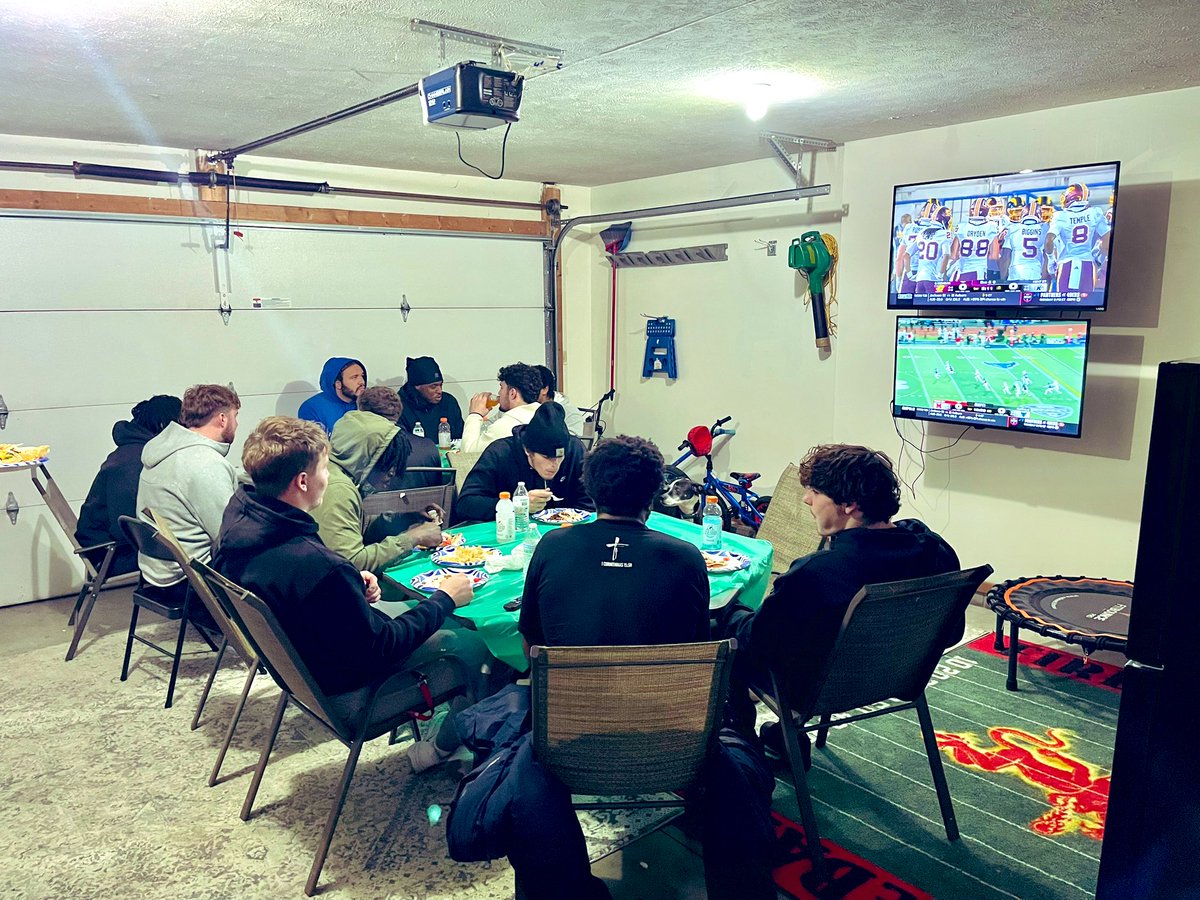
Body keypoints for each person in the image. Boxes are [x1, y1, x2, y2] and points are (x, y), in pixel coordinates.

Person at [432, 436, 777, 900]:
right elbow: (690, 651)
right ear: (654, 493)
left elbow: (531, 645)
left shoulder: (553, 547)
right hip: (672, 737)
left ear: (591, 488)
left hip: (563, 740)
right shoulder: (685, 557)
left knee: (511, 717)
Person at [212, 416, 476, 698]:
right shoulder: (317, 564)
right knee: (471, 642)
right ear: (303, 482)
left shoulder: (241, 515)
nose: (329, 477)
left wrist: (348, 584)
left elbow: (300, 586)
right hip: (350, 690)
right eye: (324, 469)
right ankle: (460, 727)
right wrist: (444, 599)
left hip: (304, 668)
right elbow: (382, 648)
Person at [722, 444, 960, 750]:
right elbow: (952, 632)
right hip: (900, 675)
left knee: (724, 638)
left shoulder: (817, 573)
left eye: (815, 492)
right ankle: (783, 739)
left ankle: (742, 747)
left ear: (849, 505)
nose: (807, 499)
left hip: (816, 689)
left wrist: (731, 611)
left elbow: (758, 643)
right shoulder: (935, 549)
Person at [135, 384, 240, 608]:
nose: (237, 423)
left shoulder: (161, 451)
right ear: (223, 419)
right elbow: (230, 536)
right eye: (235, 416)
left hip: (156, 570)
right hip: (188, 578)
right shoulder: (205, 463)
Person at [309, 403, 443, 575]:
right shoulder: (338, 489)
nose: (391, 473)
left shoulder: (337, 474)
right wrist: (413, 538)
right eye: (386, 462)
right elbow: (351, 563)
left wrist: (405, 517)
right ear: (365, 457)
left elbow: (357, 531)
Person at [76, 394, 181, 576]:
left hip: (115, 547)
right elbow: (125, 528)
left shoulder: (133, 452)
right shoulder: (132, 463)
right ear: (164, 426)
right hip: (111, 555)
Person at [454, 402, 593, 524]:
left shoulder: (575, 449)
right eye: (546, 457)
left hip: (564, 532)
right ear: (527, 450)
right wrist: (516, 505)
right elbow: (466, 504)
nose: (554, 464)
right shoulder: (500, 453)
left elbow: (591, 502)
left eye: (559, 457)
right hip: (510, 531)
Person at [459, 362, 542, 454]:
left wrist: (475, 414)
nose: (499, 393)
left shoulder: (506, 426)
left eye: (501, 388)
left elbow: (468, 453)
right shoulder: (542, 416)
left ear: (512, 393)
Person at [399, 356, 464, 440]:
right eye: (433, 387)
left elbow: (460, 437)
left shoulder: (449, 402)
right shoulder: (398, 407)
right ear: (417, 386)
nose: (439, 391)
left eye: (440, 385)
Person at [297, 357, 366, 434]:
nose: (362, 382)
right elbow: (314, 440)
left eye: (362, 376)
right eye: (354, 377)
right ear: (338, 384)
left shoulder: (368, 403)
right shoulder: (311, 408)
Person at [532, 364, 585, 437]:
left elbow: (572, 442)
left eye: (531, 387)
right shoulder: (525, 409)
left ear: (545, 389)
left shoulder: (570, 413)